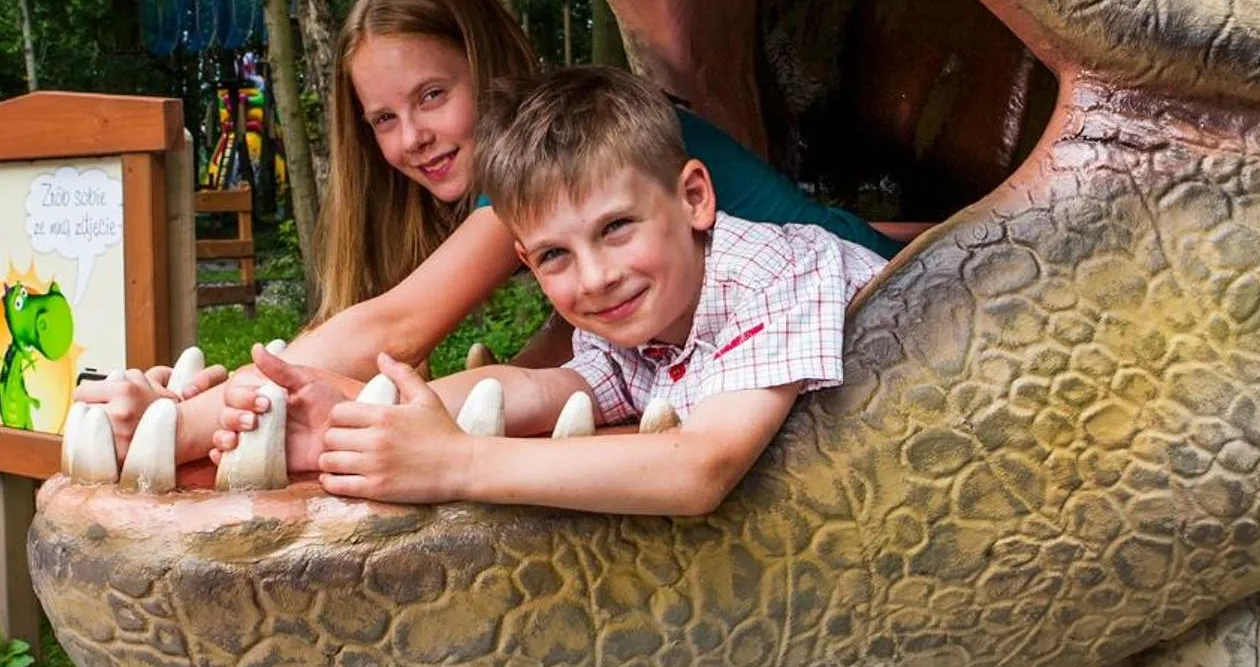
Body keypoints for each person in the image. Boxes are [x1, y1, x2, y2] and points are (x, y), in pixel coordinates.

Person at [80, 0, 906, 463]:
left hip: (877, 319)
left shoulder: (569, 151)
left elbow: (397, 324)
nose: (414, 138)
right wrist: (298, 406)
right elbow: (538, 380)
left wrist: (180, 421)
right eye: (385, 120)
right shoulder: (586, 245)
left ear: (489, 67)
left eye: (434, 96)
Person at [132, 67, 885, 514]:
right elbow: (532, 390)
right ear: (524, 256)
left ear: (694, 198)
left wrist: (457, 465)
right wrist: (357, 416)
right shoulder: (637, 313)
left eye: (618, 227)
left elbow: (701, 469)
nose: (594, 278)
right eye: (555, 255)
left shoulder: (773, 272)